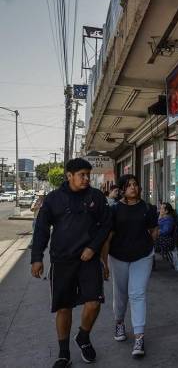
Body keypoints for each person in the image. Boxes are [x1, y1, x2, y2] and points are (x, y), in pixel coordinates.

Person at [31, 158, 112, 368]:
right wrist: (37, 258)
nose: (86, 179)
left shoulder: (95, 197)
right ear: (69, 176)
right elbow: (41, 229)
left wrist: (93, 247)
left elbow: (106, 225)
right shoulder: (53, 199)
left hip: (88, 260)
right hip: (62, 261)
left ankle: (83, 337)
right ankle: (64, 353)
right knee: (64, 308)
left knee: (94, 304)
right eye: (82, 175)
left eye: (88, 174)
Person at [101, 174, 159, 358]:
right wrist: (105, 264)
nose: (133, 187)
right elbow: (107, 238)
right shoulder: (115, 210)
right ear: (122, 190)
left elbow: (154, 230)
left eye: (135, 184)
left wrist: (148, 244)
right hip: (118, 257)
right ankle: (119, 323)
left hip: (142, 256)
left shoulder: (147, 208)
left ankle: (139, 337)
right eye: (129, 185)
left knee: (137, 293)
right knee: (121, 294)